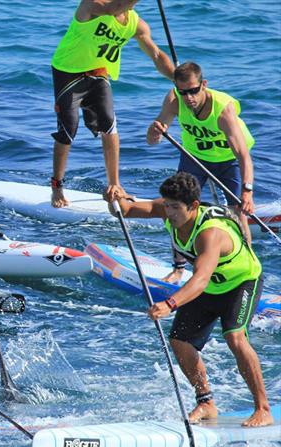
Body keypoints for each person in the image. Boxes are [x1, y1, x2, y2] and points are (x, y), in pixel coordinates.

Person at [112, 172, 271, 427]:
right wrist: (115, 198)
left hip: (242, 282)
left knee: (235, 337)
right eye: (167, 205)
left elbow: (200, 279)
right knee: (180, 341)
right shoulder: (167, 209)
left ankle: (263, 408)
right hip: (210, 287)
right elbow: (126, 210)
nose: (169, 212)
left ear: (194, 206)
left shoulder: (210, 233)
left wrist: (170, 304)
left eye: (175, 208)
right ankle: (206, 402)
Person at [50, 0, 174, 208]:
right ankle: (56, 187)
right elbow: (111, 8)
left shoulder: (136, 24)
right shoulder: (91, 5)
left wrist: (177, 79)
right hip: (68, 72)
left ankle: (115, 184)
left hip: (98, 72)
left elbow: (156, 54)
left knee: (109, 125)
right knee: (68, 130)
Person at [147, 61, 256, 281]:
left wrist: (248, 191)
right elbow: (151, 140)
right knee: (177, 206)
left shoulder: (223, 111)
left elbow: (243, 155)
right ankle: (178, 269)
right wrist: (155, 131)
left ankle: (248, 266)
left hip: (228, 160)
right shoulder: (173, 101)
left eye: (194, 91)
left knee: (237, 212)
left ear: (203, 85)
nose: (189, 98)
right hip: (194, 157)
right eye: (183, 92)